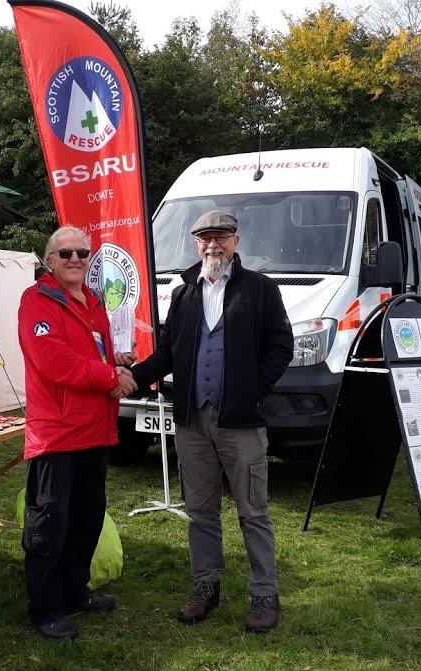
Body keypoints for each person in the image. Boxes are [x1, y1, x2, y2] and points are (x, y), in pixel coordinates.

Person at [131, 210, 293, 632]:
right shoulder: (183, 292)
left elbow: (281, 345)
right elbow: (167, 352)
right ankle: (206, 586)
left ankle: (263, 593)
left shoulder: (260, 289)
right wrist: (131, 379)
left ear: (235, 242)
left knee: (252, 511)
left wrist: (254, 389)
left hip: (239, 421)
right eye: (204, 239)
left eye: (220, 237)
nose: (212, 245)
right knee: (200, 511)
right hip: (191, 421)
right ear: (196, 244)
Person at [17, 226, 136, 640]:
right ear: (49, 260)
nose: (75, 259)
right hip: (57, 435)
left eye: (82, 253)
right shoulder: (37, 301)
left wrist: (114, 357)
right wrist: (109, 376)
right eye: (65, 253)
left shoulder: (94, 301)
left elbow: (90, 351)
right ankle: (45, 609)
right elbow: (52, 361)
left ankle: (74, 593)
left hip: (95, 432)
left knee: (87, 518)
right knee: (48, 523)